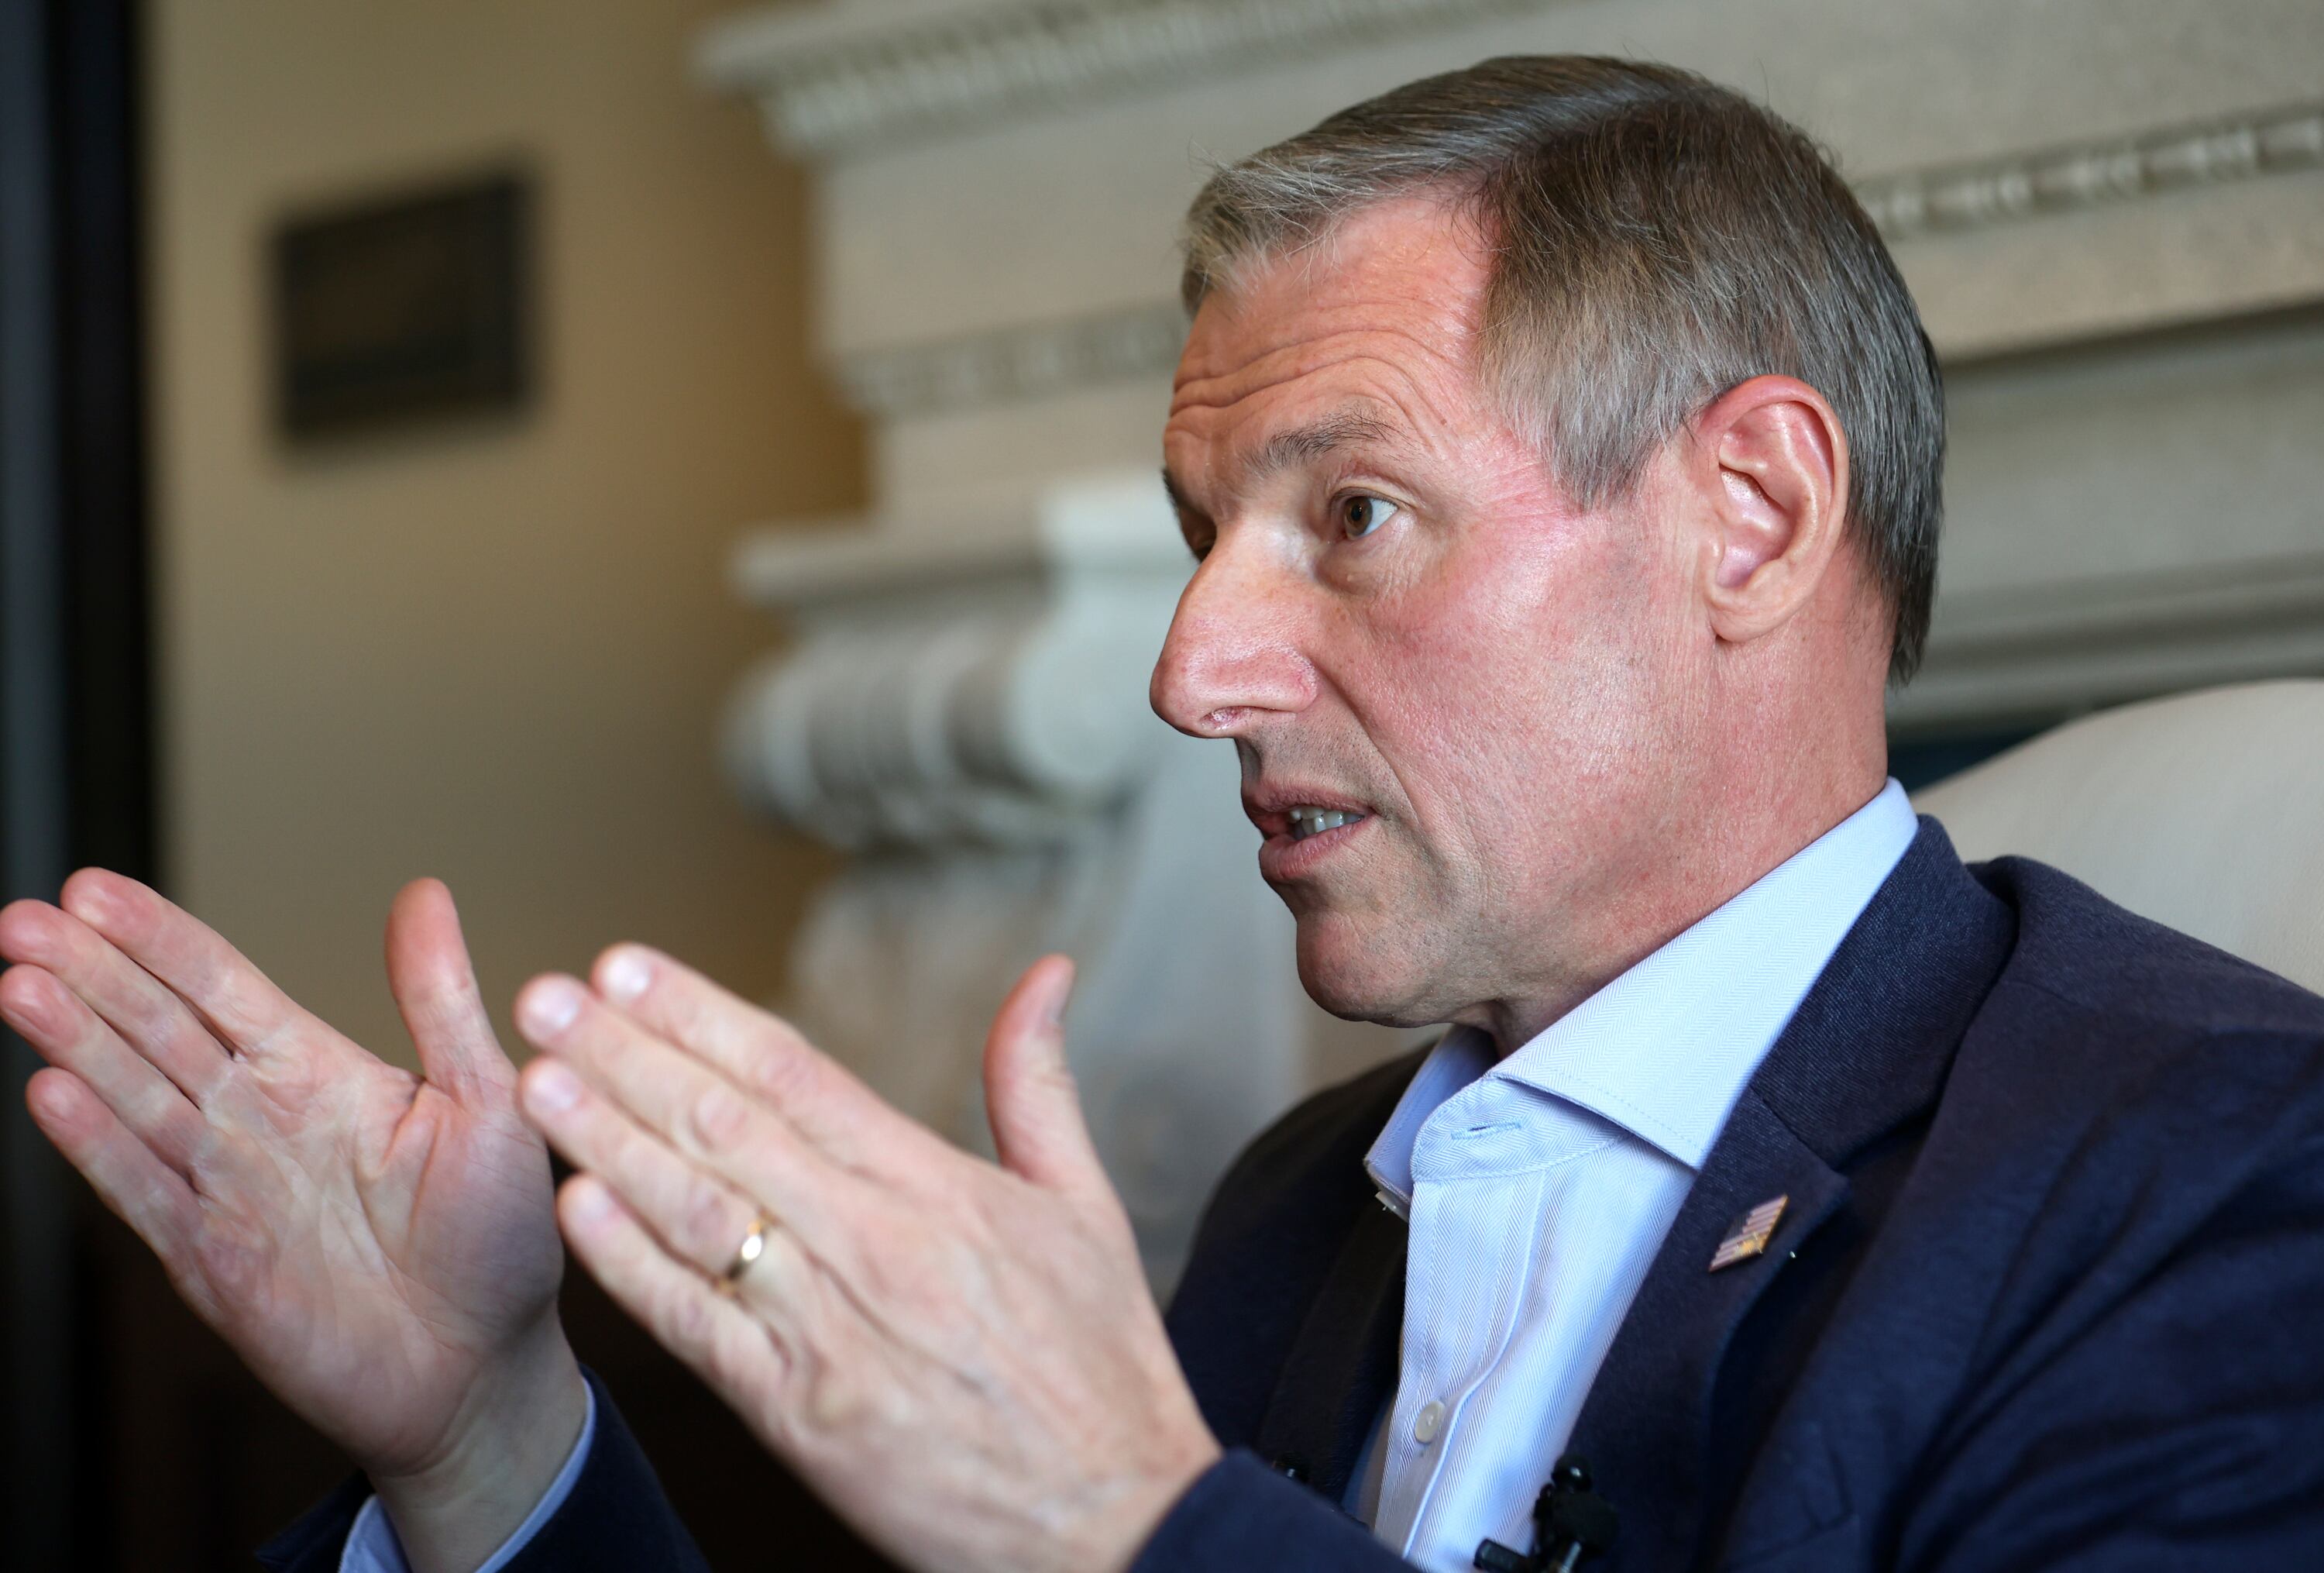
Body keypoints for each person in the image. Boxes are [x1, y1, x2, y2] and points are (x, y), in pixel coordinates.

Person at [6, 53, 2324, 1573]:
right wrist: (488, 1436)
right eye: (1209, 527)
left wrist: (1144, 1523)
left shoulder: (2219, 1187)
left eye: (1354, 515)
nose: (1193, 669)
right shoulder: (1299, 1217)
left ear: (1748, 514)